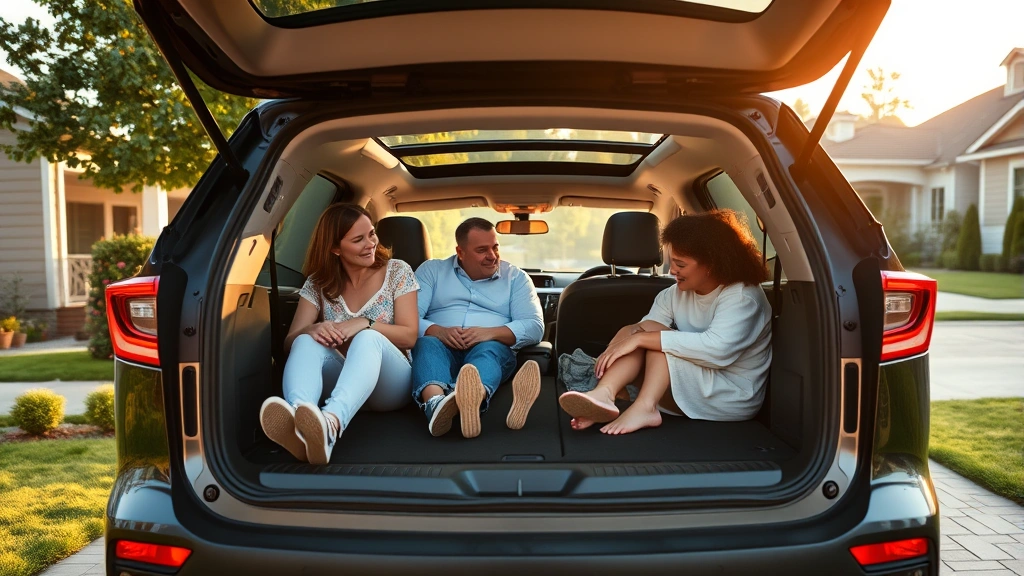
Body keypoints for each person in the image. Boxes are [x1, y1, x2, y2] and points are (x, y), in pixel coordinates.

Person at [558, 209, 772, 435]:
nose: (672, 271)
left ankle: (645, 407)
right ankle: (604, 395)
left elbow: (718, 351)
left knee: (654, 341)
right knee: (642, 331)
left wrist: (642, 339)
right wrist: (628, 341)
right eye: (671, 262)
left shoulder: (743, 297)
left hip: (730, 396)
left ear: (711, 263)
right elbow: (640, 332)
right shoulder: (673, 293)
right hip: (692, 384)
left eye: (680, 265)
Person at [259, 204, 419, 464]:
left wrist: (364, 323)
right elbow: (290, 342)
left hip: (390, 385)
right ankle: (301, 420)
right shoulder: (318, 283)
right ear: (335, 248)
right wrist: (312, 329)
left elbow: (410, 336)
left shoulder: (397, 271)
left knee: (368, 337)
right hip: (341, 380)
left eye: (372, 234)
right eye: (358, 239)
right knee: (305, 340)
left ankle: (330, 424)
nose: (371, 244)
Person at [412, 217, 545, 438]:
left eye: (495, 247)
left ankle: (470, 397)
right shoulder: (432, 271)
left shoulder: (516, 278)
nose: (492, 256)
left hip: (490, 346)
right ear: (460, 252)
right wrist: (438, 331)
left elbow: (534, 326)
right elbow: (407, 319)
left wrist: (488, 333)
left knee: (489, 351)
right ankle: (436, 404)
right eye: (482, 250)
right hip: (440, 345)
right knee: (426, 344)